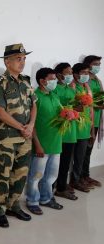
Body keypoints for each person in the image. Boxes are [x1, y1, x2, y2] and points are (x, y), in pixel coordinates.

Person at [0, 43, 37, 227]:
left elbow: (34, 105)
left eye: (24, 58)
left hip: (25, 136)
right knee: (3, 174)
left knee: (21, 173)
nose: (22, 62)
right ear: (7, 62)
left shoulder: (26, 81)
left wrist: (31, 126)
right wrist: (21, 127)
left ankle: (14, 205)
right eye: (18, 59)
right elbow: (0, 112)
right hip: (6, 137)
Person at [26, 68, 63, 215]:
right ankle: (32, 201)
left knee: (51, 176)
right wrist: (37, 145)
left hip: (56, 143)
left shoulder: (54, 95)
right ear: (42, 81)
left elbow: (60, 114)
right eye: (52, 79)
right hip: (41, 144)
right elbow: (31, 123)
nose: (55, 81)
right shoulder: (35, 96)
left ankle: (46, 198)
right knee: (36, 176)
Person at [53, 63, 78, 200]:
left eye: (71, 72)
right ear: (59, 74)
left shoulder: (71, 88)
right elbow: (56, 109)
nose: (70, 75)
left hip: (71, 130)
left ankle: (62, 187)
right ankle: (52, 187)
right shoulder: (55, 89)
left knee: (66, 162)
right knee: (55, 162)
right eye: (67, 72)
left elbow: (75, 106)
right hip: (59, 130)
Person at [69, 63, 93, 192]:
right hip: (74, 127)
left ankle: (76, 180)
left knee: (80, 157)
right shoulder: (72, 87)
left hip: (85, 127)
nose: (86, 75)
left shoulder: (86, 88)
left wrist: (91, 128)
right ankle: (65, 183)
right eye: (83, 73)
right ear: (76, 74)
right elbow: (70, 106)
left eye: (87, 73)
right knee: (67, 158)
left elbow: (90, 109)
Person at [81, 55, 103, 187]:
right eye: (96, 64)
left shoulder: (97, 80)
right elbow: (84, 101)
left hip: (97, 119)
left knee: (88, 151)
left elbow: (99, 99)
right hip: (87, 120)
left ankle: (86, 176)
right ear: (88, 65)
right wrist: (98, 104)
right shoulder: (85, 81)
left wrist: (100, 103)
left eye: (99, 64)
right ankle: (79, 178)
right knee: (82, 152)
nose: (98, 67)